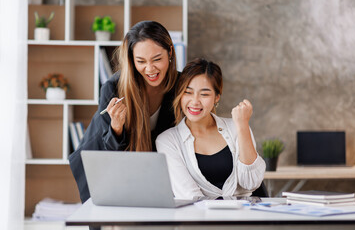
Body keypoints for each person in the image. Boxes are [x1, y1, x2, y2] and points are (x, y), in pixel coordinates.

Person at [69, 21, 180, 203]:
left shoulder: (181, 86)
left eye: (157, 59)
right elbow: (109, 150)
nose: (150, 69)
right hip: (108, 164)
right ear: (131, 60)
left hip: (155, 167)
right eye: (141, 61)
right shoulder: (113, 88)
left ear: (170, 52)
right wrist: (117, 127)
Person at [156, 58, 266, 199]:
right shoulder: (168, 141)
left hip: (244, 216)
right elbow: (190, 197)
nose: (195, 101)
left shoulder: (236, 127)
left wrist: (243, 125)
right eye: (188, 92)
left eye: (204, 94)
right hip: (200, 219)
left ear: (217, 97)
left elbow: (251, 182)